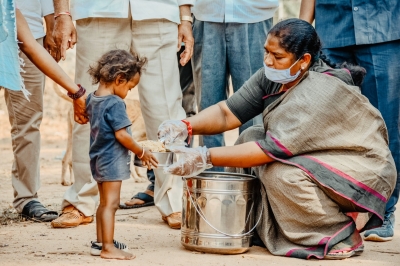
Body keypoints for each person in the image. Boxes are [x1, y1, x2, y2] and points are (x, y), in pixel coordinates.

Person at [157, 19, 397, 260]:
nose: (268, 61)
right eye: (266, 52)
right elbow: (227, 112)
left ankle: (337, 233)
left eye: (277, 56)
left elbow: (270, 150)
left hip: (359, 170)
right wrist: (185, 125)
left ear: (303, 60)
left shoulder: (320, 89)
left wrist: (204, 156)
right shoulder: (276, 75)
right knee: (249, 136)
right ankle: (260, 225)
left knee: (281, 174)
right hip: (321, 158)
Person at [51, 0, 194, 229]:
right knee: (90, 103)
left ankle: (173, 200)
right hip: (98, 9)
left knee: (165, 107)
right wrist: (62, 13)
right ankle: (81, 200)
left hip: (158, 9)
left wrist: (185, 16)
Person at [299, 0, 400, 243]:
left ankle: (382, 211)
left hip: (383, 30)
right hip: (330, 32)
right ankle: (333, 214)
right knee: (327, 128)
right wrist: (302, 31)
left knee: (386, 125)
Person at [0, 0, 87, 221]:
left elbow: (28, 44)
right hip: (20, 32)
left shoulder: (11, 12)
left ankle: (27, 197)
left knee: (28, 120)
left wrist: (76, 92)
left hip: (21, 33)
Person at [86, 49, 158, 260]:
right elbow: (122, 136)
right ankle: (108, 247)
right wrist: (142, 151)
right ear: (119, 79)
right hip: (112, 160)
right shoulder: (116, 103)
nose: (129, 91)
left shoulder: (93, 98)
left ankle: (100, 243)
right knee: (112, 204)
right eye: (130, 87)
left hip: (97, 158)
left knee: (103, 202)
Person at [191, 0, 279, 171]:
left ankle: (252, 182)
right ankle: (210, 185)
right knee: (207, 105)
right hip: (207, 13)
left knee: (254, 107)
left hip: (254, 13)